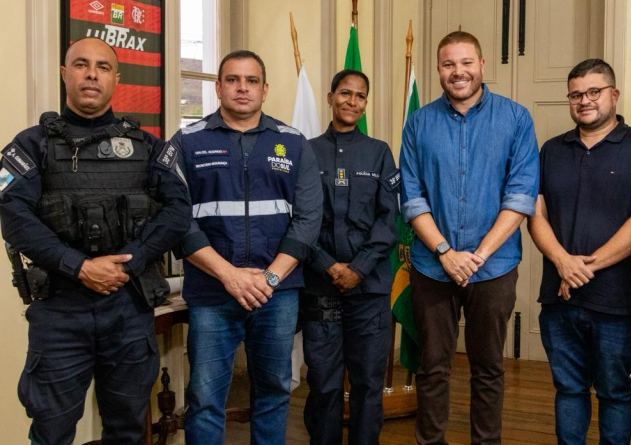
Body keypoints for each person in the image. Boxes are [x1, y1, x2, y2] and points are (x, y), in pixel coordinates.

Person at [0, 37, 191, 445]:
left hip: (127, 305)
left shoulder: (148, 147)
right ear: (64, 73)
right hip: (60, 310)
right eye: (81, 65)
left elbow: (178, 210)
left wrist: (132, 260)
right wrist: (79, 266)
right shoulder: (31, 145)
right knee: (50, 431)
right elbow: (14, 217)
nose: (91, 74)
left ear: (116, 79)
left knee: (127, 429)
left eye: (103, 67)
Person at [170, 50, 322, 444]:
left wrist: (268, 279)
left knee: (273, 392)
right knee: (204, 399)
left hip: (277, 294)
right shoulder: (187, 142)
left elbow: (308, 220)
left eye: (251, 80)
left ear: (264, 89)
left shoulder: (293, 143)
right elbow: (176, 220)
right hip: (211, 292)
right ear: (218, 88)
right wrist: (230, 276)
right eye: (233, 80)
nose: (242, 88)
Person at [400, 31, 539, 444]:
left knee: (489, 368)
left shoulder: (516, 119)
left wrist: (477, 255)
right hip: (432, 266)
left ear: (481, 65)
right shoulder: (419, 122)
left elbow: (520, 195)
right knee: (432, 366)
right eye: (448, 64)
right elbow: (411, 197)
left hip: (494, 267)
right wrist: (445, 252)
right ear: (438, 69)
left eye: (465, 62)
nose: (457, 71)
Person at [528, 58, 631, 444]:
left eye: (594, 92)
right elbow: (535, 215)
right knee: (568, 389)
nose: (584, 100)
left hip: (617, 299)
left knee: (614, 391)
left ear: (613, 95)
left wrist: (584, 267)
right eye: (575, 95)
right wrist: (562, 262)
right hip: (559, 299)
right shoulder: (551, 150)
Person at [301, 69, 399, 445]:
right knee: (323, 382)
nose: (352, 102)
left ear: (365, 104)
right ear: (330, 98)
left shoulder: (379, 153)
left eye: (360, 96)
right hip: (320, 287)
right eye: (345, 93)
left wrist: (358, 268)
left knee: (368, 383)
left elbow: (389, 220)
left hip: (369, 290)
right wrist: (327, 264)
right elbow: (299, 218)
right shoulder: (306, 151)